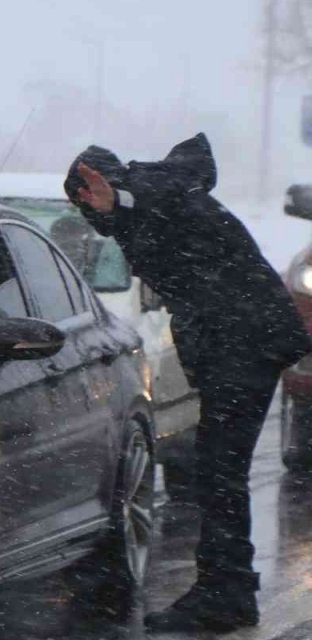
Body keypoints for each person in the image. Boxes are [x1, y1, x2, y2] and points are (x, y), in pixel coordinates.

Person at [66, 133, 311, 633]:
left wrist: (121, 199)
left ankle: (225, 592)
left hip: (244, 340)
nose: (90, 212)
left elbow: (156, 203)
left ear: (105, 185)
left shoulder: (158, 197)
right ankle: (228, 588)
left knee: (219, 472)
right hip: (241, 340)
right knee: (217, 471)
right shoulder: (159, 201)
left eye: (87, 199)